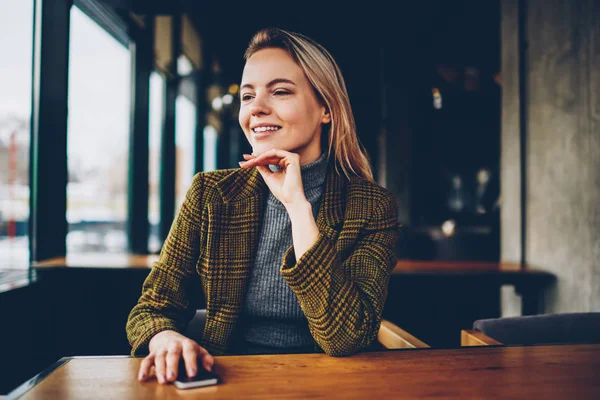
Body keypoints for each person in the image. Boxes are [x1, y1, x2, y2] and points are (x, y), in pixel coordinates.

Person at [127, 27, 400, 385]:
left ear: (326, 109)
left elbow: (345, 337)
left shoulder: (372, 207)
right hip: (227, 380)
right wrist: (166, 338)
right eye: (247, 96)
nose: (256, 108)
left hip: (334, 384)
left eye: (280, 91)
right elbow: (152, 307)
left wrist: (297, 207)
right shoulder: (211, 194)